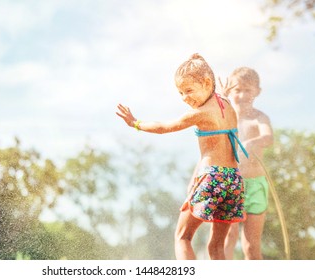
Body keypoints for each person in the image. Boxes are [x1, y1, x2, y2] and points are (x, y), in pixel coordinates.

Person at [116, 53, 248, 260]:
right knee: (216, 247)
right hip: (234, 181)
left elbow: (163, 127)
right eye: (180, 93)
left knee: (183, 237)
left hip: (212, 178)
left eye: (188, 90)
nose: (185, 98)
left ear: (206, 83)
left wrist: (135, 123)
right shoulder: (226, 104)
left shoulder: (200, 113)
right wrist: (217, 86)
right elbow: (220, 95)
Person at [220, 67, 274, 260]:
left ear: (257, 91)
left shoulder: (259, 117)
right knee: (228, 237)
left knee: (251, 246)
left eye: (248, 90)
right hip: (231, 183)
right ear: (229, 92)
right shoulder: (225, 118)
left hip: (255, 185)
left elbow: (268, 138)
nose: (242, 95)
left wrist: (253, 142)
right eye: (237, 90)